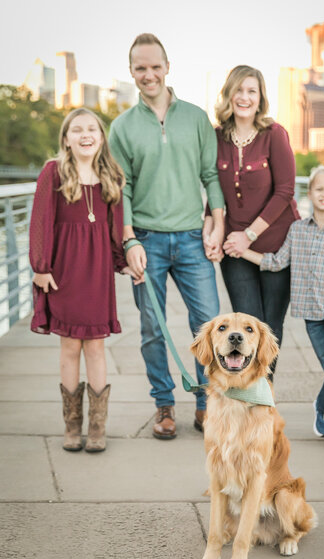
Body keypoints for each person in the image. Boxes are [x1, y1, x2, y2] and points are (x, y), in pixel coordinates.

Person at [109, 33, 225, 440]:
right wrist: (129, 241)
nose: (149, 74)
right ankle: (163, 404)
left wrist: (218, 222)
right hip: (147, 241)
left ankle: (206, 404)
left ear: (168, 67)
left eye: (155, 66)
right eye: (140, 68)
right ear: (131, 72)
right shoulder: (121, 127)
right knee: (152, 329)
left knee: (208, 326)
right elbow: (120, 188)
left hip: (193, 239)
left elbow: (210, 176)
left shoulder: (195, 118)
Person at [29, 108, 133, 453]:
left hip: (97, 272)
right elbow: (41, 222)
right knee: (70, 346)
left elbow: (115, 226)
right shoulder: (53, 173)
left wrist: (123, 261)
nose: (85, 134)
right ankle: (72, 426)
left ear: (101, 138)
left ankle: (97, 427)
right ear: (67, 139)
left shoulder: (111, 177)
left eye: (92, 129)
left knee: (96, 346)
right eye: (77, 130)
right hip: (64, 272)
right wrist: (41, 266)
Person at [242, 165, 324, 450]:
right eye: (319, 189)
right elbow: (276, 262)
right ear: (309, 193)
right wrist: (242, 250)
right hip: (312, 314)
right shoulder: (297, 230)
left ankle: (323, 406)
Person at [204, 65, 300, 376]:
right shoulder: (216, 137)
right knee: (246, 327)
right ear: (229, 94)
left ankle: (263, 398)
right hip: (234, 249)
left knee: (269, 328)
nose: (244, 97)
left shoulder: (274, 134)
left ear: (260, 99)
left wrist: (250, 235)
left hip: (275, 246)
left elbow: (285, 190)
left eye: (252, 91)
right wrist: (213, 231)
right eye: (239, 90)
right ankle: (248, 397)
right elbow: (212, 187)